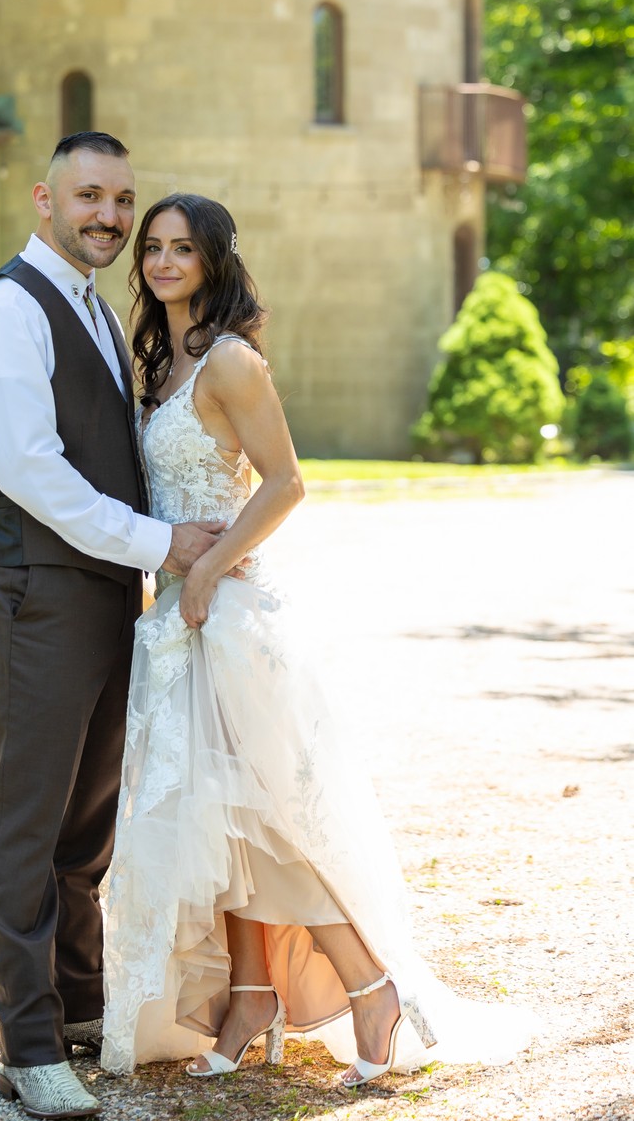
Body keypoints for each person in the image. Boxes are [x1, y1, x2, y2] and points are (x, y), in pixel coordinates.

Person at [100, 193, 536, 1086]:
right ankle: (251, 994)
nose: (163, 261)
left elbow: (285, 483)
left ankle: (369, 984)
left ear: (215, 260)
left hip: (222, 619)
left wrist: (214, 568)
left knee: (270, 819)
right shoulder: (161, 363)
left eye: (183, 248)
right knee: (217, 821)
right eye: (154, 247)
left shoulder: (228, 361)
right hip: (174, 619)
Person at [0, 135, 226, 1120]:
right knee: (28, 815)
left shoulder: (99, 311)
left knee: (85, 821)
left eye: (122, 198)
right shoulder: (2, 314)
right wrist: (160, 542)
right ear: (44, 198)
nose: (108, 215)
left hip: (110, 592)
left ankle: (74, 1004)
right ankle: (25, 1042)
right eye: (88, 195)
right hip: (39, 592)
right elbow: (32, 473)